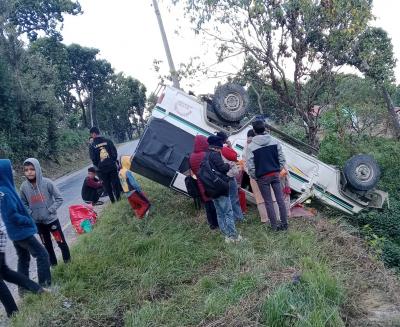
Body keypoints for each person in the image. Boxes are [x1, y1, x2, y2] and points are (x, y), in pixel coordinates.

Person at [0, 159, 51, 287]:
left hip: (15, 232)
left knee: (23, 258)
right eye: (10, 168)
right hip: (20, 231)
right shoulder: (4, 192)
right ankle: (45, 286)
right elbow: (11, 215)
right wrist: (27, 220)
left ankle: (24, 291)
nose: (12, 170)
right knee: (42, 255)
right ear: (4, 171)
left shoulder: (5, 187)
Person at [20, 158, 71, 266]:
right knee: (47, 245)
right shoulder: (24, 187)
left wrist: (50, 210)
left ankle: (68, 262)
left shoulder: (47, 183)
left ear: (37, 169)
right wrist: (30, 213)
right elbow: (23, 203)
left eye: (32, 169)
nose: (29, 172)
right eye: (26, 170)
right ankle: (54, 265)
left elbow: (59, 198)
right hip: (38, 223)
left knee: (60, 242)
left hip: (52, 221)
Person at [0, 207, 44, 318]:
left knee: (4, 273)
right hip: (1, 231)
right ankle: (35, 288)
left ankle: (14, 314)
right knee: (5, 272)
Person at [246, 120, 288, 231]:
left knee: (268, 202)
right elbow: (282, 159)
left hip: (262, 177)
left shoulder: (251, 147)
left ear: (254, 131)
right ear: (264, 128)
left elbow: (250, 166)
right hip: (275, 174)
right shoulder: (274, 141)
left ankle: (274, 227)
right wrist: (277, 170)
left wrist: (256, 176)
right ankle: (284, 224)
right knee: (280, 199)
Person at [207, 135, 241, 242]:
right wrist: (229, 165)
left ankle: (225, 233)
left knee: (219, 211)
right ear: (216, 146)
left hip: (211, 187)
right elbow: (222, 168)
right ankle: (233, 235)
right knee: (227, 211)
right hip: (220, 185)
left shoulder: (206, 155)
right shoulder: (215, 155)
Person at [189, 135, 219, 229]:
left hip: (200, 183)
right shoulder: (207, 154)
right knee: (215, 203)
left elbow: (192, 172)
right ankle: (218, 223)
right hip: (210, 182)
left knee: (207, 204)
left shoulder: (191, 157)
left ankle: (212, 225)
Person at [216, 131, 244, 222]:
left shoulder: (215, 148)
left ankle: (231, 218)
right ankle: (238, 218)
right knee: (233, 198)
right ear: (224, 139)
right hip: (229, 176)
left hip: (221, 176)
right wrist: (230, 146)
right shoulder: (224, 148)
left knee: (226, 198)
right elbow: (235, 156)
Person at [89, 127, 121, 203]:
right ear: (98, 132)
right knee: (115, 183)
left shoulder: (92, 145)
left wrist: (99, 164)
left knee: (107, 185)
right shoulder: (108, 141)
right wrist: (112, 161)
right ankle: (119, 199)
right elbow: (114, 153)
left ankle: (113, 201)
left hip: (102, 169)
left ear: (93, 133)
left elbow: (93, 159)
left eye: (91, 134)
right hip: (112, 166)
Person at [243, 129, 268, 223]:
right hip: (264, 174)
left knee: (259, 198)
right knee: (268, 196)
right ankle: (273, 217)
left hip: (253, 176)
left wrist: (250, 173)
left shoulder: (246, 146)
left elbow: (245, 163)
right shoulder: (260, 145)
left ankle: (264, 218)